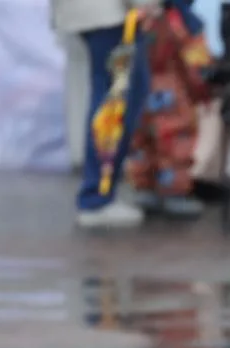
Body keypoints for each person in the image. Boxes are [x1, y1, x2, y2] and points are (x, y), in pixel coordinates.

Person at [52, 0, 152, 228]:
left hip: (93, 13)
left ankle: (99, 192)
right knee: (116, 101)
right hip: (112, 13)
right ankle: (97, 196)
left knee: (112, 95)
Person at [124, 0, 214, 219]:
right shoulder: (181, 21)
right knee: (176, 142)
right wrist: (204, 90)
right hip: (173, 93)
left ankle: (145, 187)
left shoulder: (137, 19)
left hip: (140, 92)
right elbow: (196, 65)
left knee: (142, 141)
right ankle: (174, 192)